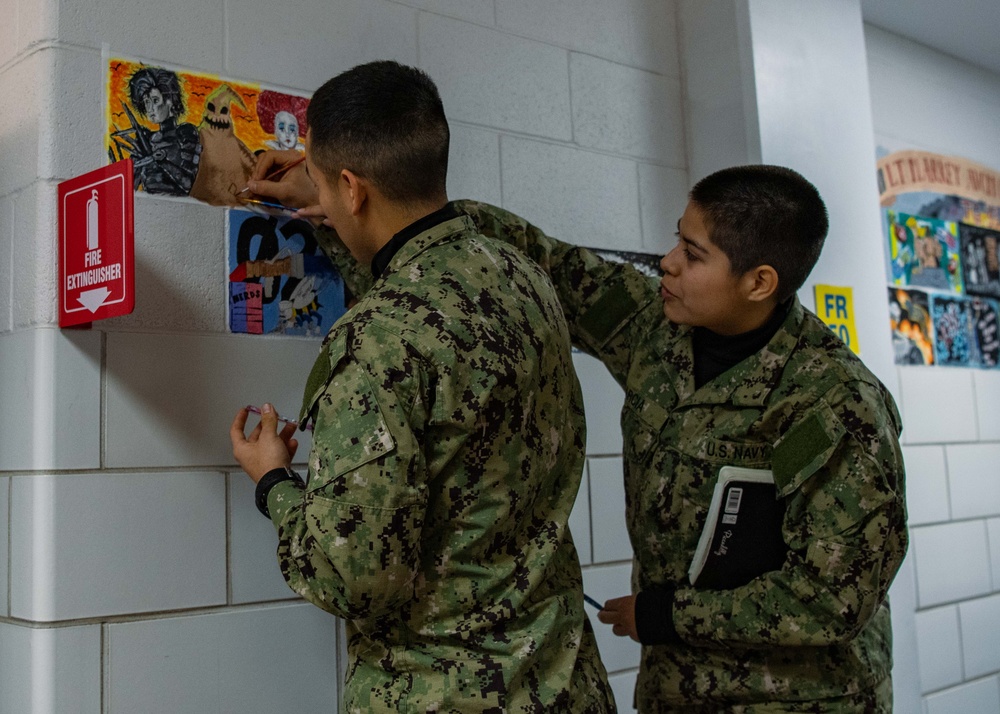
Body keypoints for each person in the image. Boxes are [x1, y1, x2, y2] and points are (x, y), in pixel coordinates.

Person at [254, 163, 907, 712]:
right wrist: (352, 203)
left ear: (759, 282)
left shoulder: (832, 405)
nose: (667, 264)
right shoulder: (659, 332)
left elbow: (831, 600)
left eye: (694, 255)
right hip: (678, 692)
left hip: (804, 700)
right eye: (676, 241)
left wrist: (665, 617)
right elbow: (538, 257)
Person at [229, 60, 614, 714]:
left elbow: (353, 576)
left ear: (352, 189)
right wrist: (327, 203)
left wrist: (274, 484)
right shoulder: (524, 281)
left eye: (320, 179)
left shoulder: (379, 338)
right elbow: (427, 282)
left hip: (444, 693)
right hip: (564, 681)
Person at [115, 66, 201, 196]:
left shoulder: (185, 133)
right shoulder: (147, 139)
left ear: (170, 100)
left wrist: (163, 161)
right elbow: (129, 189)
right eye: (146, 102)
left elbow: (187, 183)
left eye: (155, 101)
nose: (150, 108)